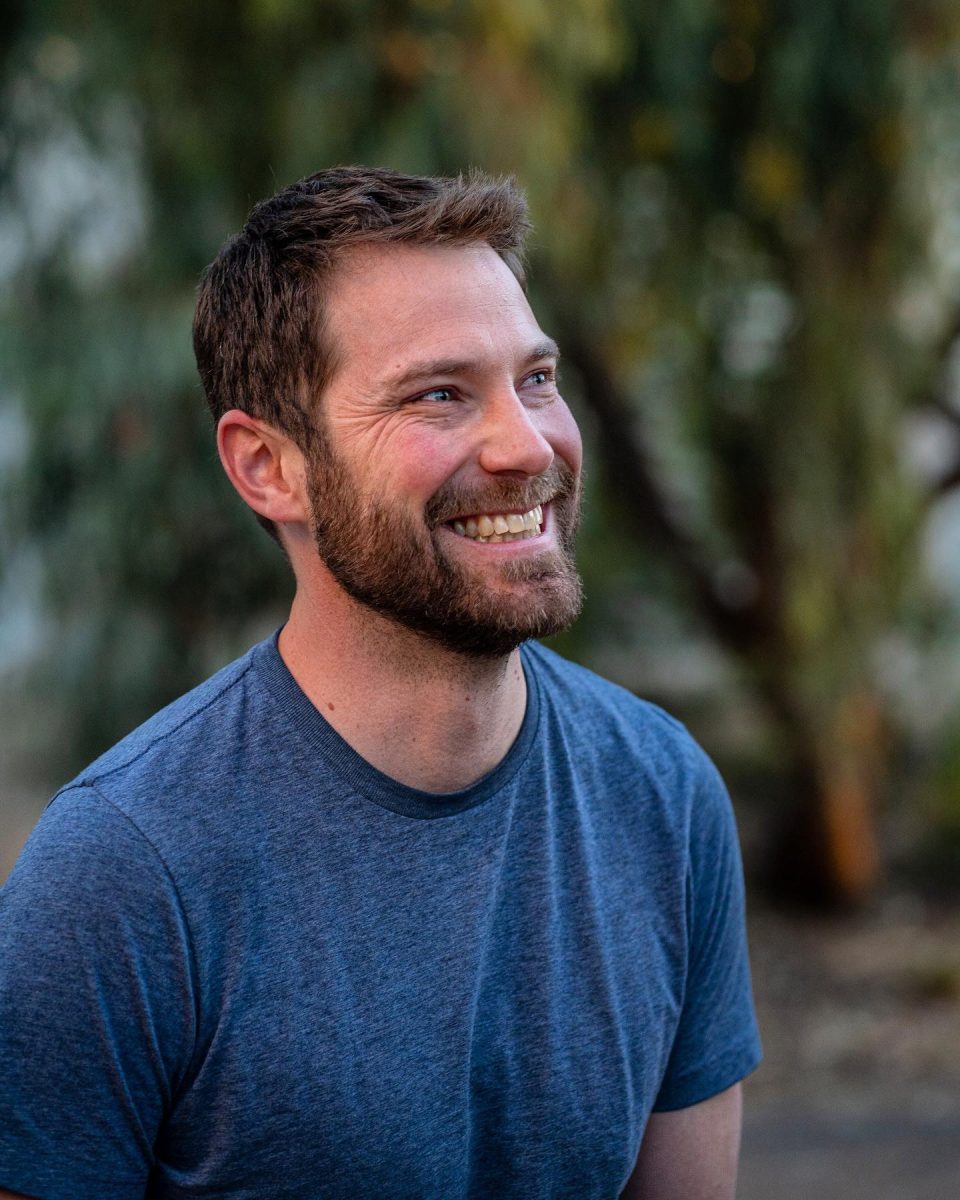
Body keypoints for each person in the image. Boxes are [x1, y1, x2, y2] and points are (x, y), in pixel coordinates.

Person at [0, 166, 760, 1200]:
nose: (525, 444)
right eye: (438, 395)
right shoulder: (123, 877)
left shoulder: (663, 798)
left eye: (536, 379)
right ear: (269, 466)